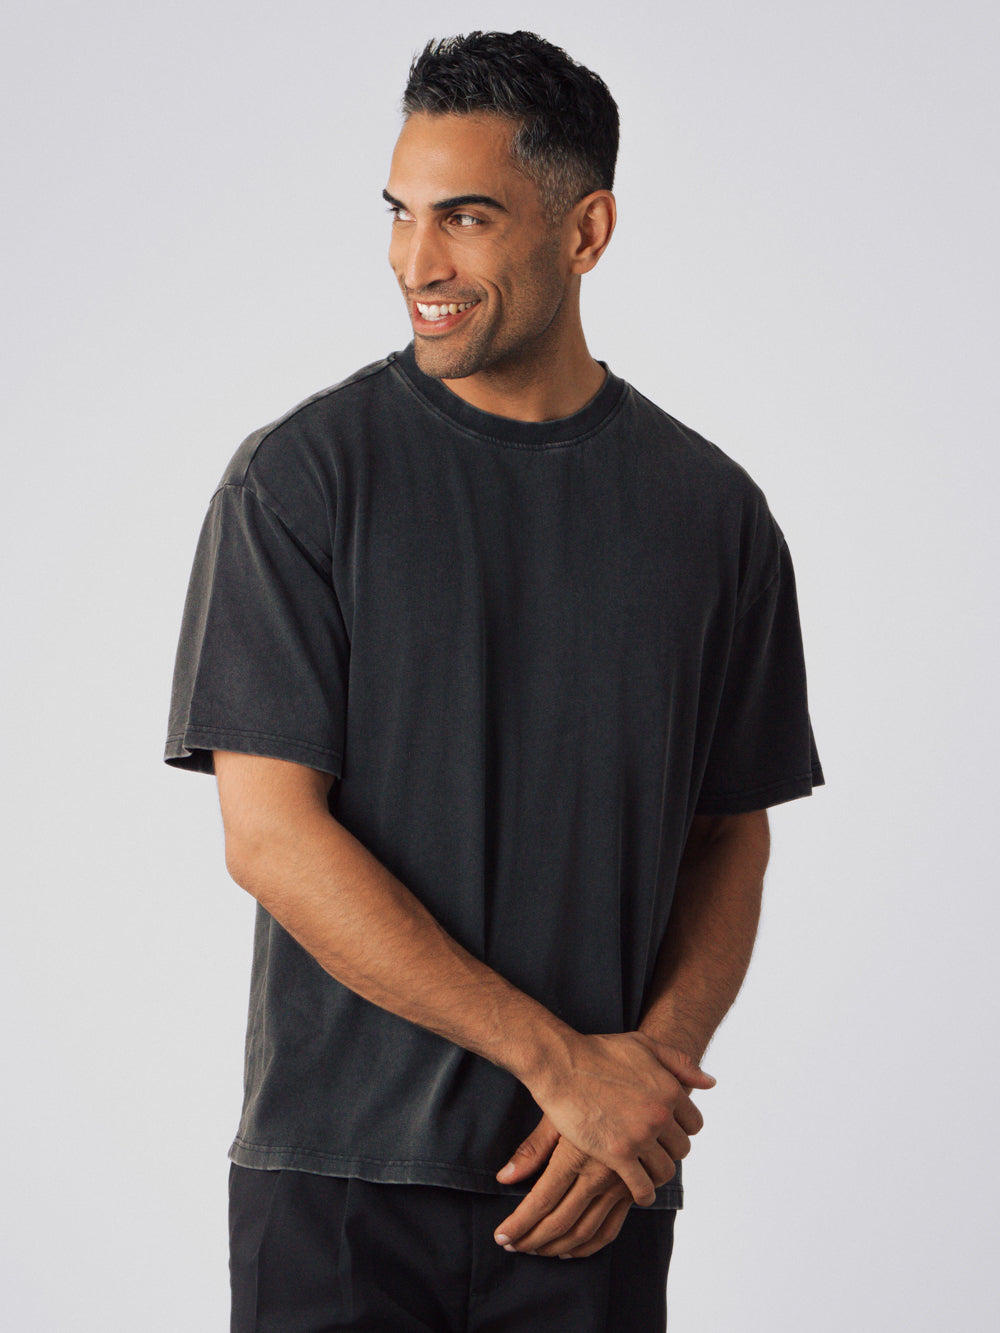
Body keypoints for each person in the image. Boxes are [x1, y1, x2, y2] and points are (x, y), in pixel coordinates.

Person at [163, 29, 824, 1333]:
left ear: (588, 231)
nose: (417, 262)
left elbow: (730, 833)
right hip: (339, 1186)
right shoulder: (301, 481)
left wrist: (642, 1081)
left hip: (597, 1183)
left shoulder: (714, 516)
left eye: (464, 218)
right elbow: (271, 836)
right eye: (400, 214)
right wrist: (562, 1063)